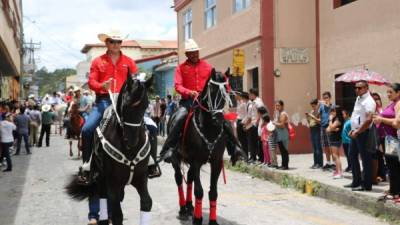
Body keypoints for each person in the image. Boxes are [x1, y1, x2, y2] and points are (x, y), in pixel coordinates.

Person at [78, 30, 138, 225]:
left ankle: (151, 162)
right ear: (107, 43)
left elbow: (136, 81)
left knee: (151, 127)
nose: (115, 44)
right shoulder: (98, 61)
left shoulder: (129, 61)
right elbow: (92, 82)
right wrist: (100, 86)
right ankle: (87, 163)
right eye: (112, 41)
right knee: (87, 129)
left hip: (125, 104)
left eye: (118, 41)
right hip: (104, 101)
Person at [159, 39, 243, 163]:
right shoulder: (180, 68)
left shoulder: (208, 67)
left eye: (196, 52)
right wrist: (189, 92)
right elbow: (177, 86)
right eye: (191, 52)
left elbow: (215, 83)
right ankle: (168, 150)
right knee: (178, 118)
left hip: (207, 103)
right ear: (186, 54)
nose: (194, 54)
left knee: (224, 119)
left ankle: (235, 149)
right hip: (188, 102)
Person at [345, 80, 376, 192]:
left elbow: (368, 120)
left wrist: (357, 131)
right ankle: (356, 181)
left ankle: (366, 185)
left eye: (360, 88)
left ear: (366, 88)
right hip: (356, 132)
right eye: (355, 88)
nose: (357, 90)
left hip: (364, 133)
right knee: (352, 155)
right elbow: (356, 115)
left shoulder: (369, 101)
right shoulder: (359, 98)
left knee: (365, 159)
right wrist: (352, 129)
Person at [373, 83, 400, 200]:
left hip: (392, 139)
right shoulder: (393, 103)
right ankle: (392, 189)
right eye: (387, 92)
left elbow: (396, 123)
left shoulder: (399, 103)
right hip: (386, 139)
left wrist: (381, 119)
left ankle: (395, 192)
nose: (388, 94)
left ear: (398, 92)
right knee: (390, 165)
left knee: (393, 166)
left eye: (391, 92)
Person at [243, 88, 265, 163]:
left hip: (256, 124)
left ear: (253, 94)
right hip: (253, 124)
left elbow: (261, 112)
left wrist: (257, 122)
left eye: (250, 94)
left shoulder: (258, 102)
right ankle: (253, 157)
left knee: (256, 142)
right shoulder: (254, 102)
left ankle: (259, 158)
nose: (249, 95)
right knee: (252, 141)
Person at [326, 106, 344, 179]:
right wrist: (332, 128)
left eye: (333, 111)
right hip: (333, 138)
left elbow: (332, 127)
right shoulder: (335, 119)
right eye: (331, 111)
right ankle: (337, 171)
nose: (331, 112)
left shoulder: (338, 119)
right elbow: (327, 129)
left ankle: (340, 172)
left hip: (336, 139)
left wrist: (330, 121)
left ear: (337, 111)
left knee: (335, 156)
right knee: (335, 156)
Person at [306, 99, 323, 169]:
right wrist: (307, 117)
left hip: (317, 129)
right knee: (314, 147)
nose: (312, 107)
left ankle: (320, 163)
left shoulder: (319, 112)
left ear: (317, 105)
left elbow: (320, 121)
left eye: (313, 106)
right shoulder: (312, 112)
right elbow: (310, 121)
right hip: (312, 129)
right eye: (312, 106)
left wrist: (312, 116)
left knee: (318, 147)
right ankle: (315, 162)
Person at [320, 91, 334, 170]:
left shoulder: (332, 106)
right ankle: (328, 162)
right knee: (325, 146)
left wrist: (328, 104)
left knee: (331, 146)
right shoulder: (321, 107)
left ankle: (334, 163)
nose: (325, 99)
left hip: (330, 128)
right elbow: (320, 116)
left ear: (330, 98)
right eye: (324, 98)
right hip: (323, 127)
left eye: (327, 98)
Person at [273, 100, 290, 170]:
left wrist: (274, 123)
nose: (277, 107)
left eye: (278, 105)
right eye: (276, 105)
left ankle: (285, 165)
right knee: (282, 150)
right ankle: (283, 164)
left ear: (282, 106)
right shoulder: (278, 113)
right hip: (279, 134)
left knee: (284, 150)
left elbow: (282, 125)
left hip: (283, 134)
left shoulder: (283, 114)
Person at [236, 92, 249, 159]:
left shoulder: (244, 104)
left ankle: (246, 155)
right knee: (240, 139)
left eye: (236, 95)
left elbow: (247, 114)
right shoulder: (239, 102)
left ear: (240, 96)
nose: (235, 96)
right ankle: (242, 154)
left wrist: (242, 122)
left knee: (243, 140)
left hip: (242, 121)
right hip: (239, 121)